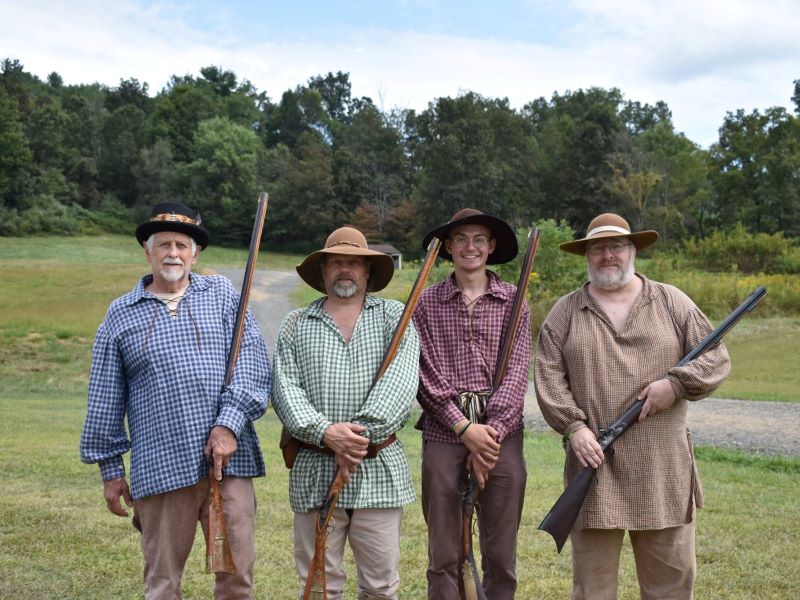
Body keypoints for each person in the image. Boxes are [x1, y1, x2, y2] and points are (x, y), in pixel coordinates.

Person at [534, 212, 731, 600]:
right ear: (587, 255)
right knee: (593, 590)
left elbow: (716, 358)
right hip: (593, 466)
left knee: (670, 587)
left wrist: (674, 385)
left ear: (632, 250)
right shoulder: (565, 312)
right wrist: (574, 427)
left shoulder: (673, 301)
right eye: (597, 248)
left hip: (662, 470)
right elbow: (548, 377)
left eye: (617, 246)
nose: (608, 254)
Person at [80, 201, 270, 599]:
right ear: (147, 251)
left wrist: (228, 424)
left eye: (182, 246)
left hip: (228, 465)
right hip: (161, 467)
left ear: (195, 253)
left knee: (236, 578)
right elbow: (104, 398)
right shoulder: (120, 315)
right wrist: (111, 470)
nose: (173, 253)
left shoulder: (221, 296)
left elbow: (253, 363)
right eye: (164, 244)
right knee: (163, 582)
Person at [271, 226, 419, 600]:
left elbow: (401, 384)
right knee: (319, 585)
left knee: (381, 587)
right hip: (314, 469)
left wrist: (356, 439)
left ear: (368, 272)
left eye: (354, 263)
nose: (345, 270)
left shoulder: (394, 318)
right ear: (322, 271)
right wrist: (325, 433)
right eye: (336, 262)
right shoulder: (295, 325)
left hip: (378, 470)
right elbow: (285, 389)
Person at [413, 208, 531, 599]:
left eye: (479, 239)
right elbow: (424, 374)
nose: (470, 247)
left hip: (502, 436)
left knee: (501, 554)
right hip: (444, 433)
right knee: (445, 553)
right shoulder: (425, 303)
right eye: (461, 239)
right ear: (447, 247)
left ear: (492, 246)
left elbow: (516, 373)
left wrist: (489, 435)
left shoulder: (515, 302)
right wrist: (464, 429)